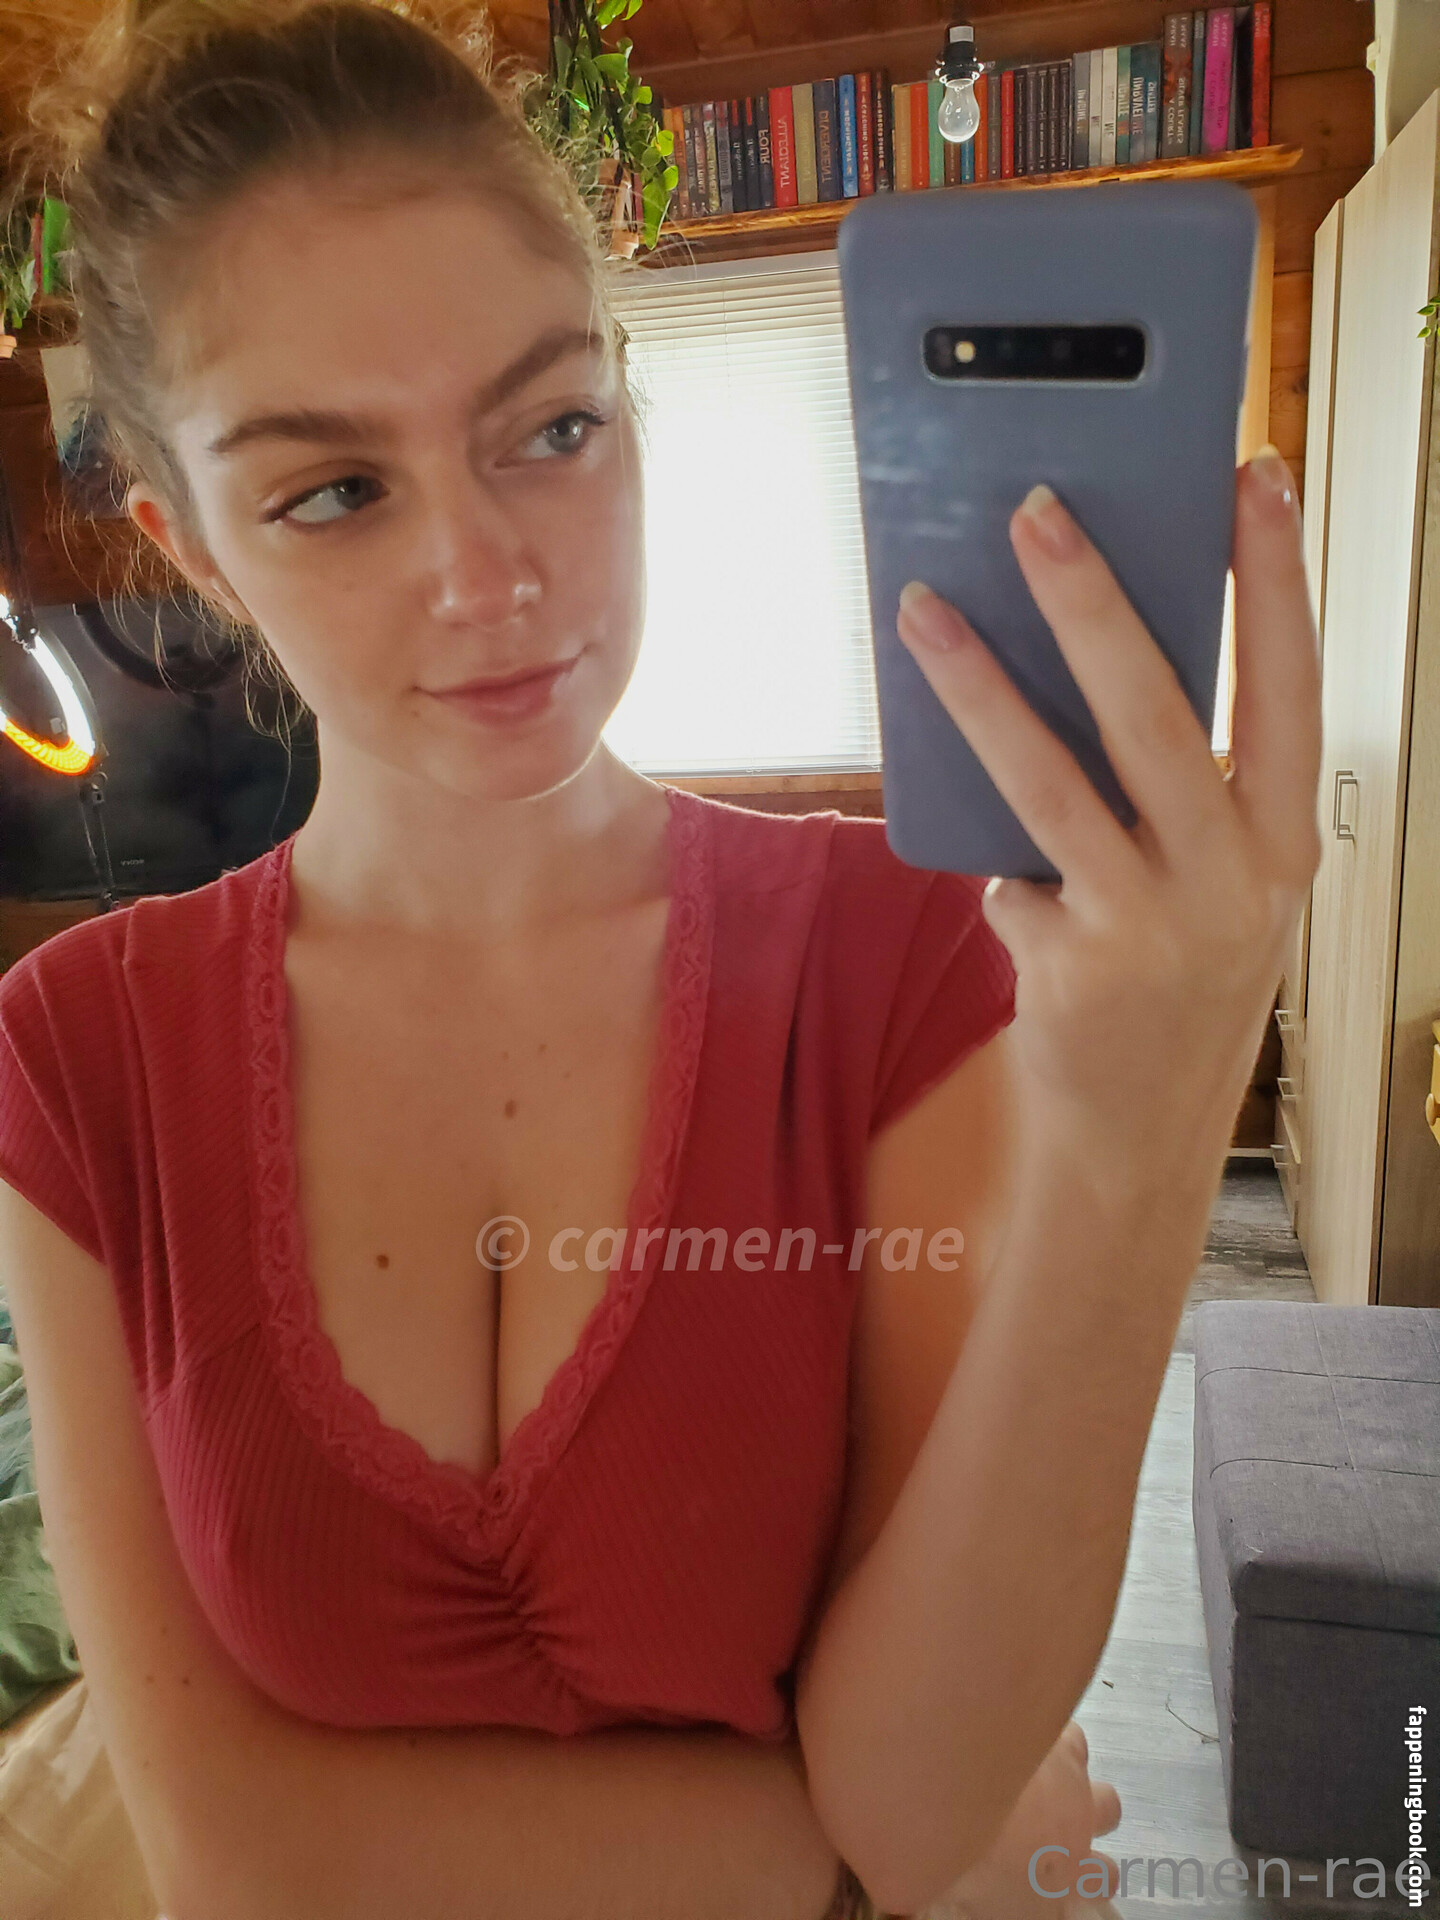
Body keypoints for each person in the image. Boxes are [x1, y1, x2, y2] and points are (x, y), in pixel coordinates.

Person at [0, 3, 1322, 1917]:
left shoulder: (894, 953)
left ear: (628, 403)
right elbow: (237, 1864)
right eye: (334, 491)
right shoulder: (74, 1059)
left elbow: (916, 1786)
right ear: (191, 547)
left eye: (552, 428)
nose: (492, 575)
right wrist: (830, 1862)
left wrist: (1147, 1138)